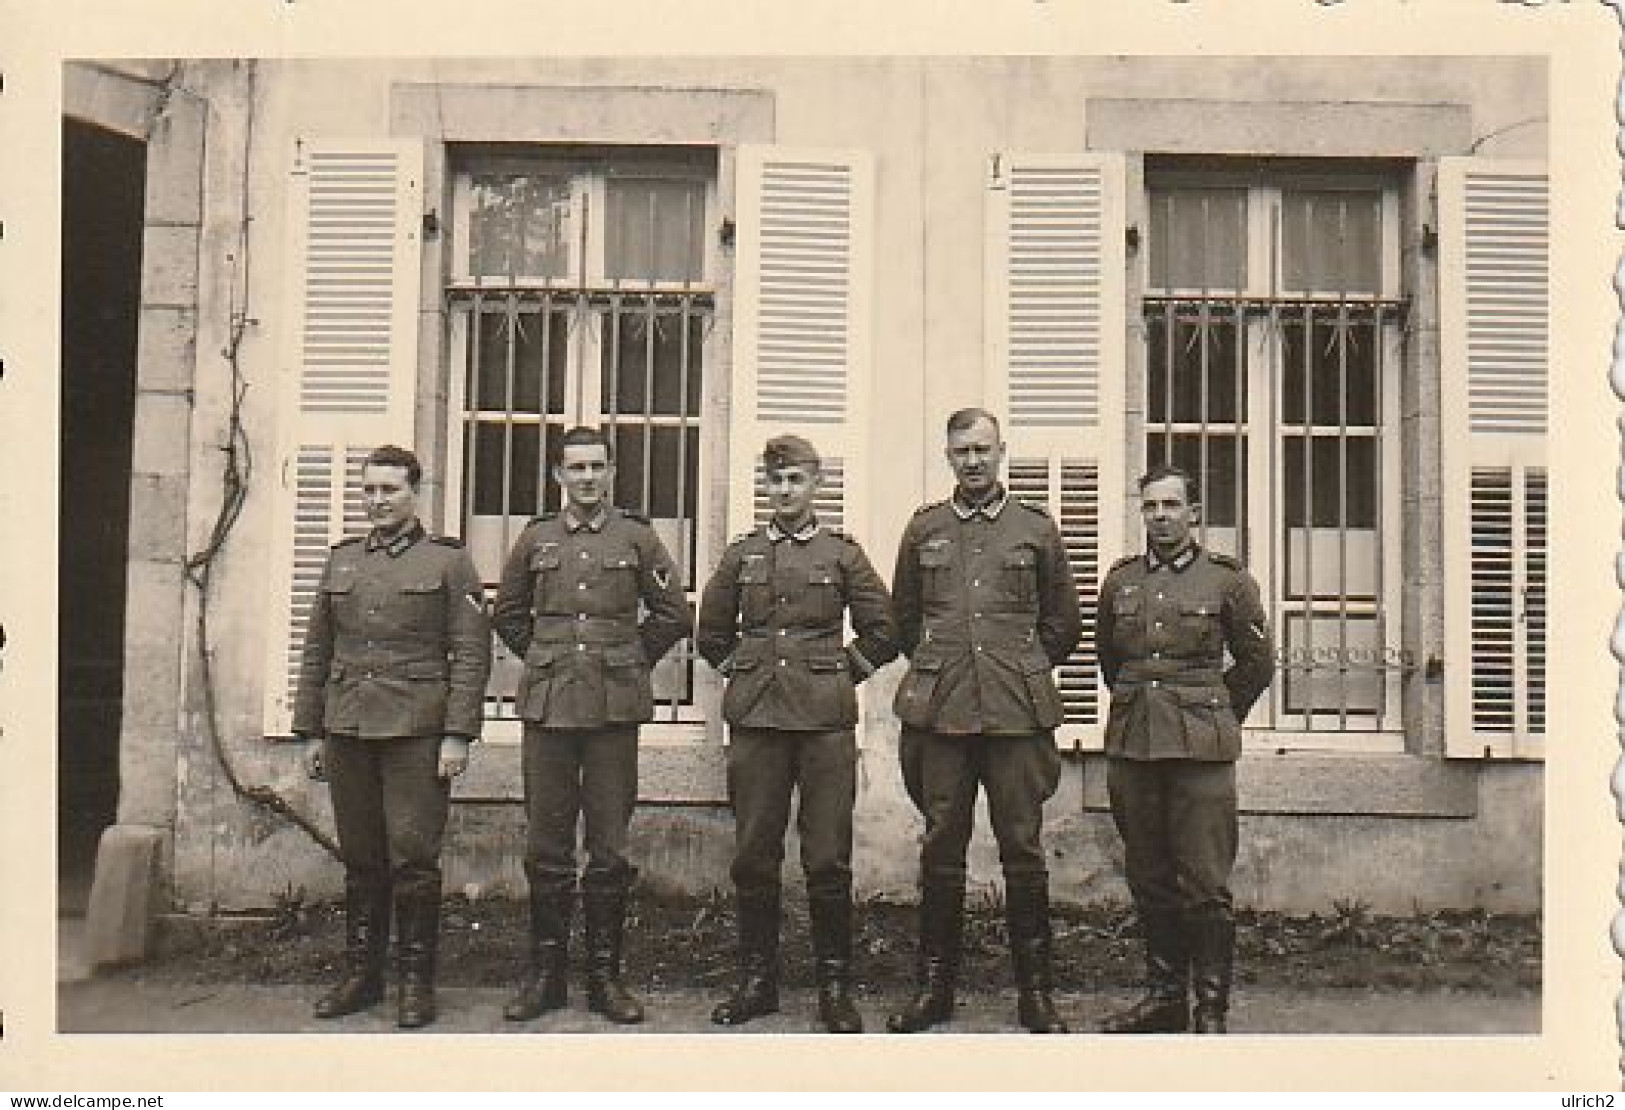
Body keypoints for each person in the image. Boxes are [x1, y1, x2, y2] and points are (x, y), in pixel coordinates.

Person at [886, 408, 1082, 1034]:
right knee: (941, 845)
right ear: (947, 456)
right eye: (960, 451)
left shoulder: (1036, 529)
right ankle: (934, 989)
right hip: (941, 715)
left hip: (1015, 718)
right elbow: (904, 619)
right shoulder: (925, 530)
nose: (972, 461)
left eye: (982, 449)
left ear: (1002, 453)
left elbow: (1063, 626)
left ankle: (1036, 993)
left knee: (1022, 849)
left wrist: (1018, 669)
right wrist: (948, 667)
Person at [695, 434, 899, 1034]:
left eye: (796, 480)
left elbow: (883, 629)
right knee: (755, 854)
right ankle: (758, 981)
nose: (785, 492)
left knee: (828, 856)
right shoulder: (743, 555)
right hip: (757, 721)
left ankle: (834, 986)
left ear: (816, 484)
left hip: (825, 724)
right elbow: (710, 634)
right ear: (765, 485)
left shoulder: (841, 555)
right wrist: (747, 670)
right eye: (775, 481)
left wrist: (844, 673)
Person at [492, 425, 692, 1026]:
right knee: (546, 847)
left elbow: (672, 613)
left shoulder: (636, 537)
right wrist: (548, 661)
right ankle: (546, 976)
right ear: (558, 475)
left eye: (596, 467)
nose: (586, 478)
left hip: (612, 714)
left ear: (611, 473)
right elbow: (507, 615)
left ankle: (605, 977)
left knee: (608, 849)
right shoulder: (535, 540)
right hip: (550, 711)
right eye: (575, 468)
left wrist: (628, 664)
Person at [294, 444, 493, 1029]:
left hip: (416, 732)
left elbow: (471, 654)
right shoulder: (342, 562)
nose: (378, 501)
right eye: (369, 490)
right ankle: (363, 974)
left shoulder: (447, 563)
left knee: (413, 859)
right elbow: (317, 651)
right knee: (361, 857)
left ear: (415, 492)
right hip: (348, 727)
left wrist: (457, 734)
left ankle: (414, 982)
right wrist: (310, 731)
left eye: (390, 490)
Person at [1095, 463, 1273, 1035]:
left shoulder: (1228, 581)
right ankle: (1164, 999)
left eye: (1172, 505)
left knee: (1205, 883)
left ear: (1194, 513)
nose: (1161, 516)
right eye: (1150, 506)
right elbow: (1111, 662)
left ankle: (1211, 1008)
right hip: (1134, 749)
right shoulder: (1120, 582)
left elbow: (1255, 665)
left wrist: (1214, 715)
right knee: (1149, 875)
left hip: (1201, 754)